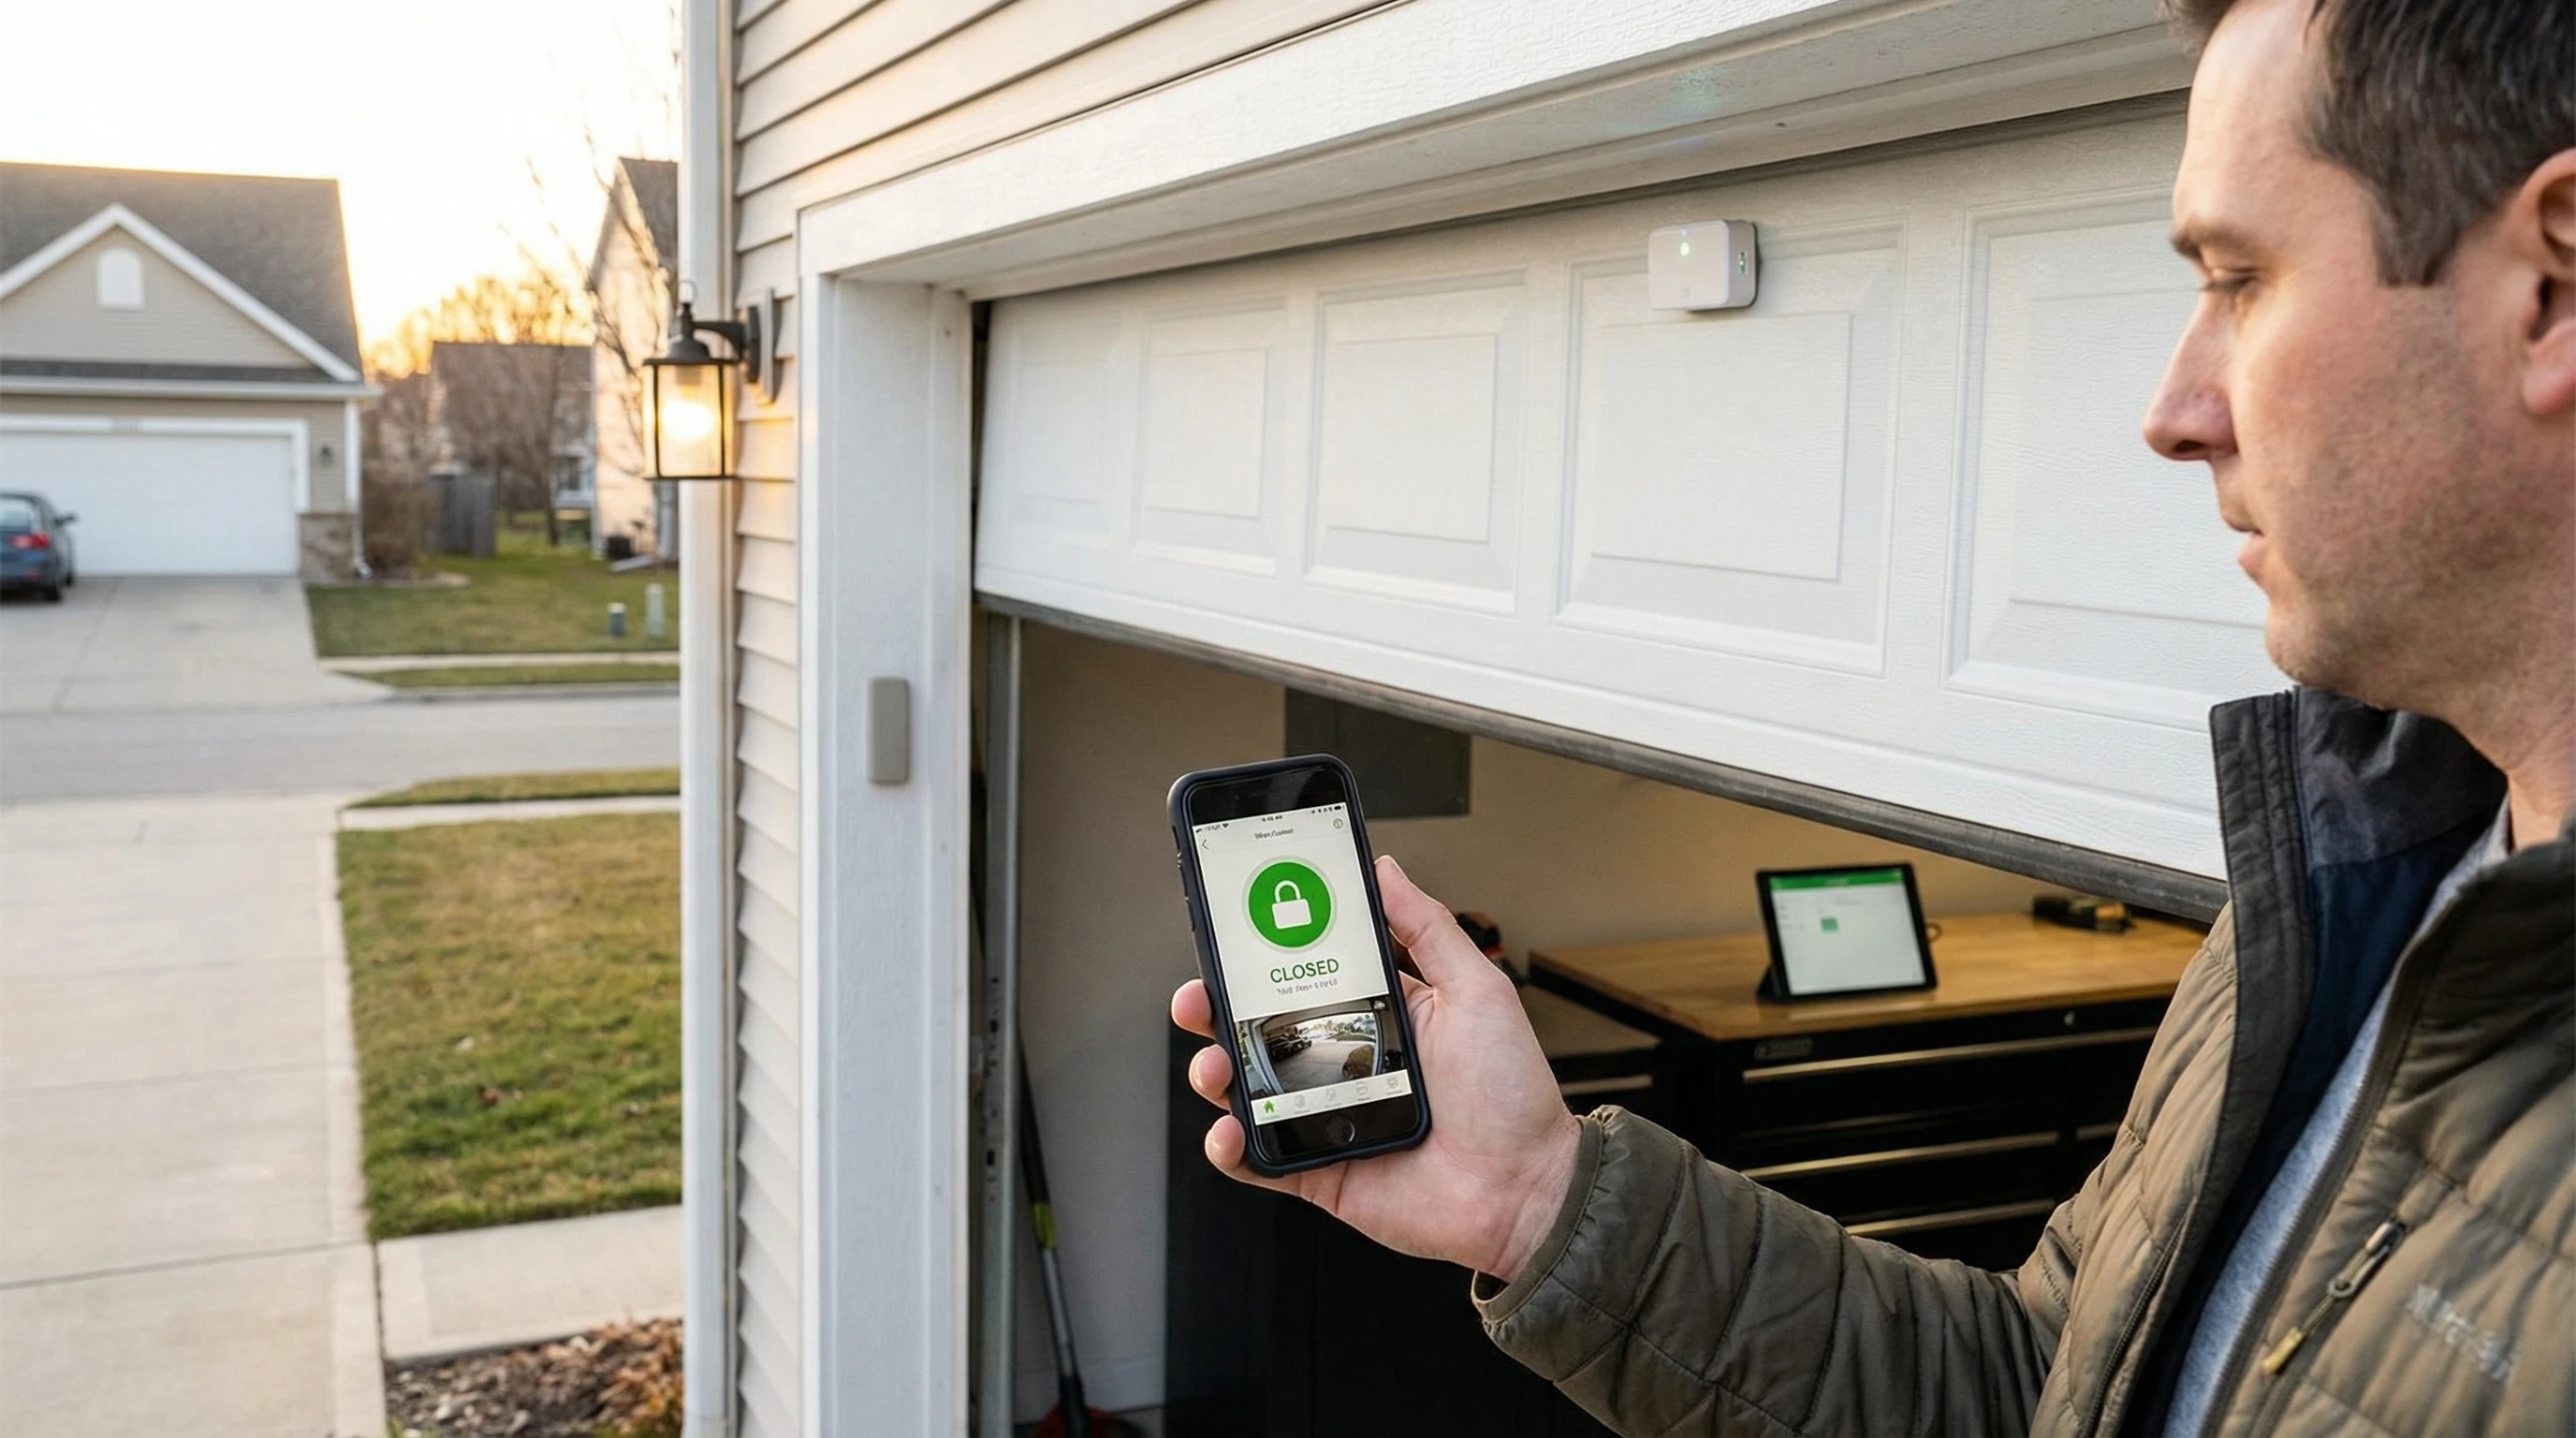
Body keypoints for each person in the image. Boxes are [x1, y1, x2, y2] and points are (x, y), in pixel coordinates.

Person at [1171, 0, 2574, 1430]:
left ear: (2552, 283)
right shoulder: (2354, 892)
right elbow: (2038, 1391)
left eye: (2242, 278)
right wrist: (1540, 1202)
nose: (2173, 406)